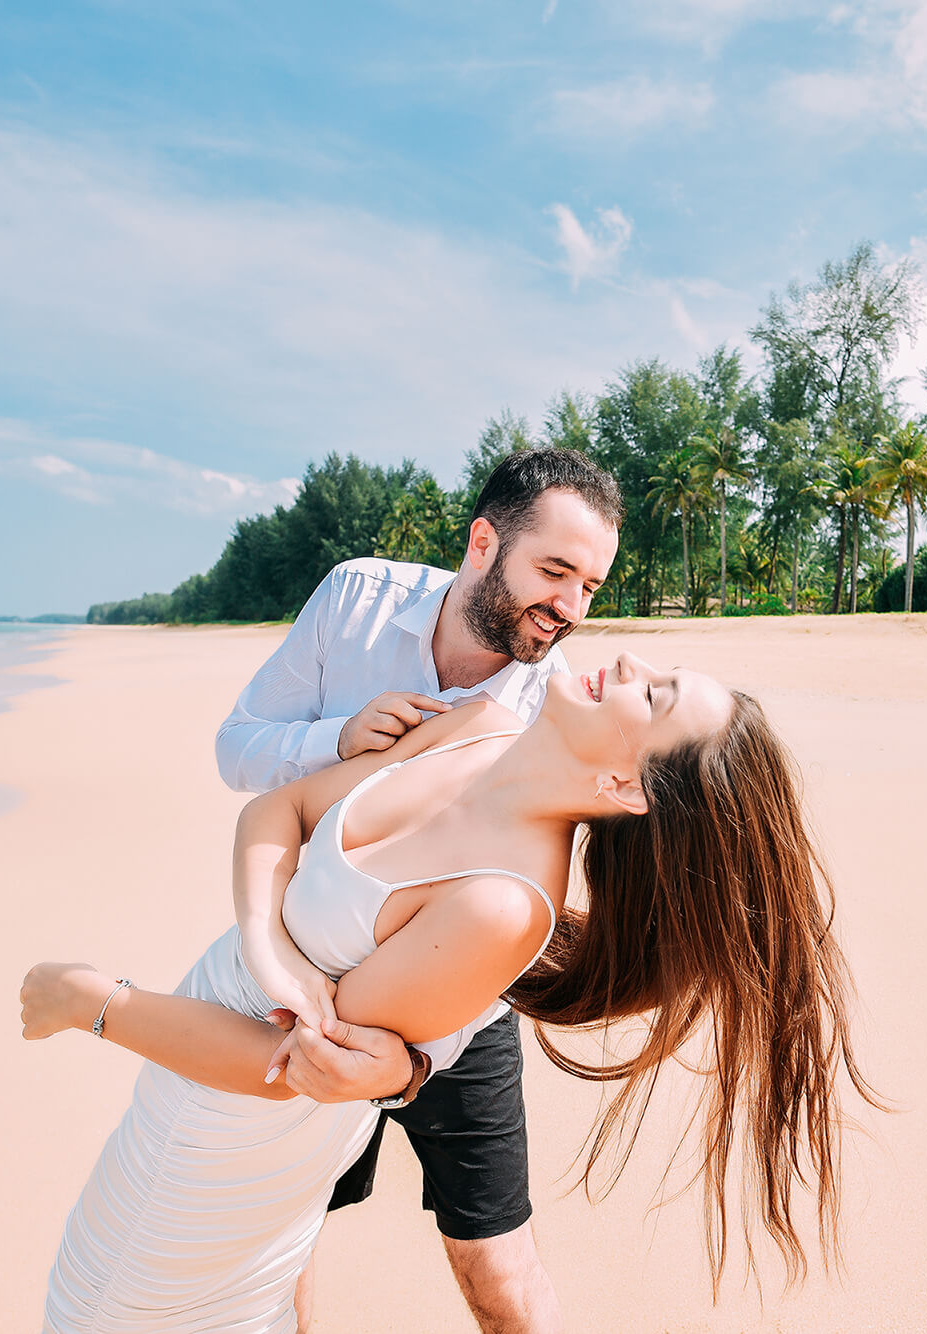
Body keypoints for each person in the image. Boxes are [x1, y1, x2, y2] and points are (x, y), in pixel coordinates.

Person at [22, 653, 877, 1333]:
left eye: (652, 698)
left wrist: (94, 1002)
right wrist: (266, 941)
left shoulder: (502, 906)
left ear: (625, 788)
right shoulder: (478, 724)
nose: (622, 664)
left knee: (111, 1312)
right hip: (179, 1082)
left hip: (228, 1138)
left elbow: (286, 1069)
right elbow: (277, 811)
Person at [214, 447, 622, 1332]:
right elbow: (237, 747)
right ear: (484, 542)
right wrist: (337, 741)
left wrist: (416, 1061)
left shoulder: (553, 707)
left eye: (591, 586)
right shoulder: (354, 599)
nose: (571, 608)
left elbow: (519, 912)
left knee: (499, 1267)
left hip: (458, 1003)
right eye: (555, 572)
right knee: (280, 1242)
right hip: (302, 975)